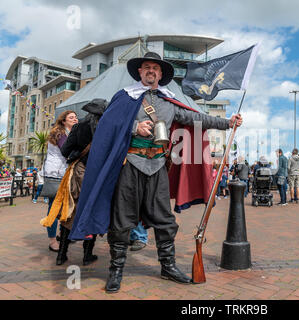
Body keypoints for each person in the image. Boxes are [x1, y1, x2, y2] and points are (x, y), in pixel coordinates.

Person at [67, 52, 243, 293]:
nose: (151, 71)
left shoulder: (169, 102)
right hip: (130, 165)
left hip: (158, 166)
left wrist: (228, 122)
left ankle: (167, 266)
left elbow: (196, 118)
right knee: (122, 221)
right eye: (147, 67)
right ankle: (116, 271)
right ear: (140, 72)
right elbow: (105, 123)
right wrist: (134, 127)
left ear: (161, 74)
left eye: (155, 69)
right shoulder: (125, 97)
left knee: (164, 219)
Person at [42, 100, 105, 265]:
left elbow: (65, 151)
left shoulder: (79, 126)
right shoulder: (108, 126)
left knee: (69, 211)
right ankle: (87, 255)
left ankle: (61, 255)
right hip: (98, 174)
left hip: (79, 173)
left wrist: (78, 152)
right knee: (93, 211)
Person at [42, 110, 78, 252]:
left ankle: (63, 234)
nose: (75, 119)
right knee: (53, 207)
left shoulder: (70, 133)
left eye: (75, 117)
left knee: (67, 205)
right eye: (71, 117)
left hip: (65, 172)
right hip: (55, 174)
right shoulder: (60, 133)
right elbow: (66, 150)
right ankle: (52, 241)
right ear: (64, 121)